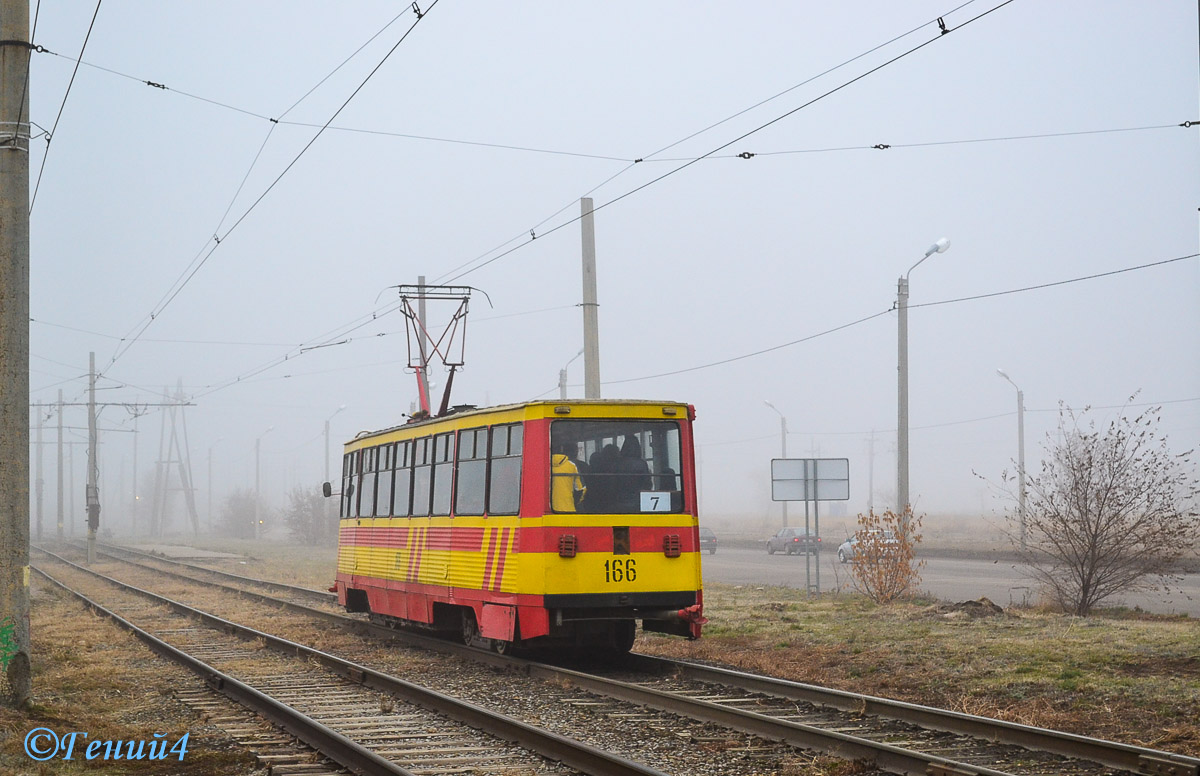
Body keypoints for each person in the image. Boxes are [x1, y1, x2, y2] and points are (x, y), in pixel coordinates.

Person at [614, 436, 652, 512]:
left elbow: (613, 483)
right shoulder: (642, 464)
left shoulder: (617, 464)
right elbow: (647, 484)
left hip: (619, 502)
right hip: (638, 502)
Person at [551, 443, 586, 512]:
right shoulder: (572, 466)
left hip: (550, 509)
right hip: (568, 508)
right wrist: (576, 503)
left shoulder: (545, 465)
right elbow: (582, 489)